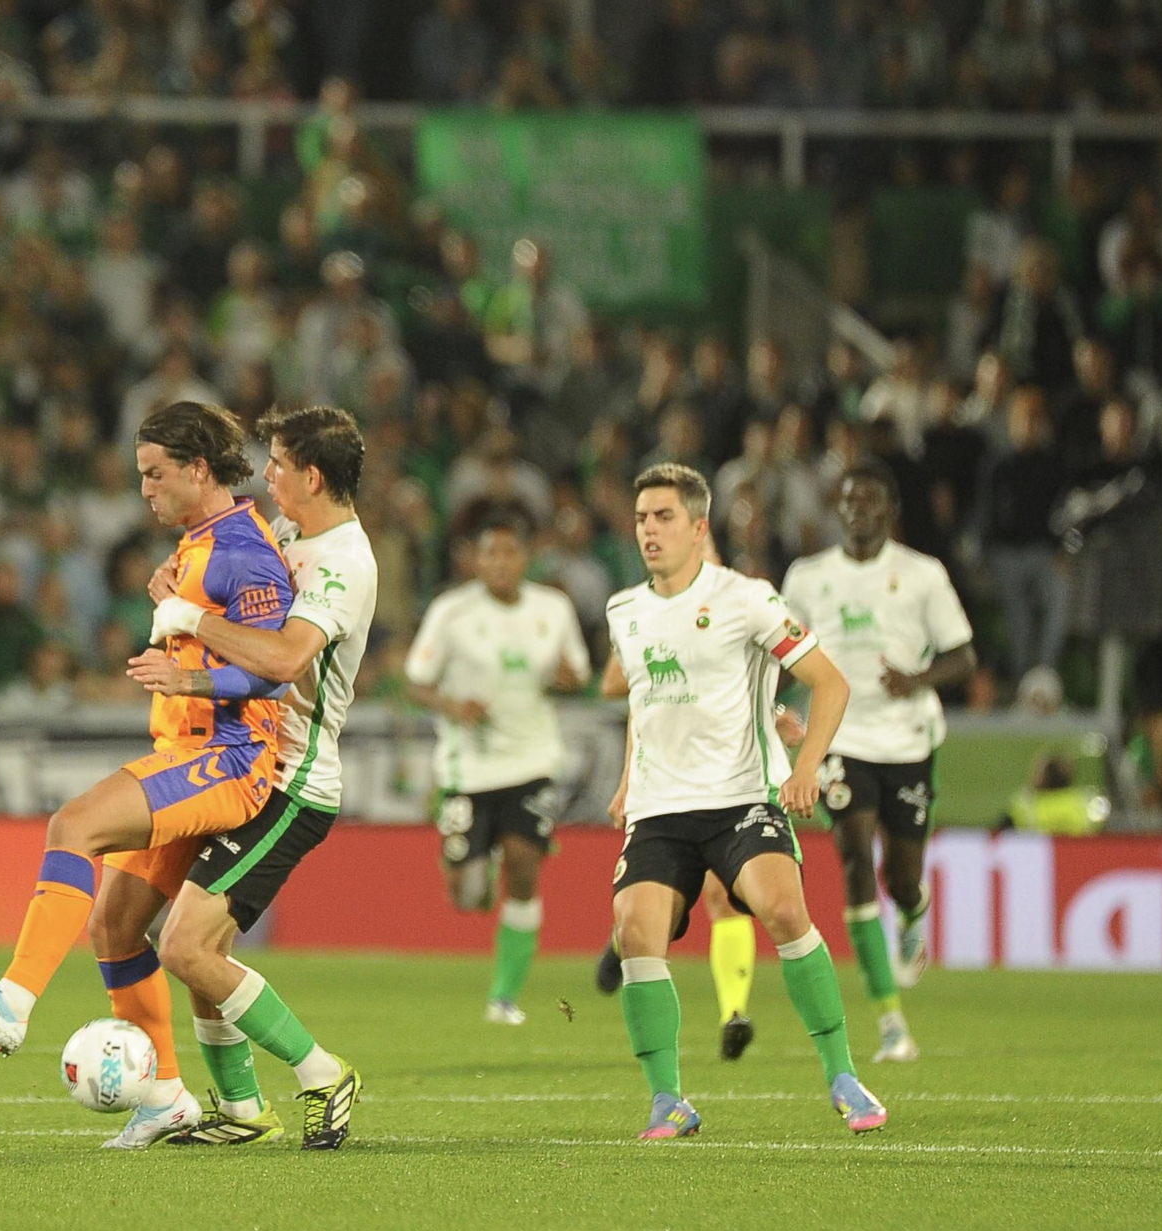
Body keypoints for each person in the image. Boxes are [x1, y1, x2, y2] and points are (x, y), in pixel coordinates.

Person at [0, 403, 293, 1150]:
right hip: (186, 754)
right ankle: (164, 1099)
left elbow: (275, 674)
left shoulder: (244, 552)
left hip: (227, 758)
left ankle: (15, 998)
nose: (146, 490)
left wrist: (187, 677)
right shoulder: (198, 545)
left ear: (198, 468)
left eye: (156, 474)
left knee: (73, 824)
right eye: (140, 476)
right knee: (116, 926)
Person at [604, 463, 885, 1139]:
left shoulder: (748, 598)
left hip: (740, 798)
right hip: (660, 806)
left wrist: (807, 766)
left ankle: (843, 1073)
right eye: (642, 516)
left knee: (785, 909)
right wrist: (626, 780)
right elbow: (644, 701)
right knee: (633, 933)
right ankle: (667, 1098)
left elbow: (830, 682)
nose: (649, 529)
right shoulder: (624, 610)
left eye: (664, 516)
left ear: (699, 528)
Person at [142, 406, 377, 1151]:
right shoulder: (284, 534)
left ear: (311, 475)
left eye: (275, 464)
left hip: (291, 781)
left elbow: (281, 662)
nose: (263, 475)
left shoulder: (344, 562)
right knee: (189, 942)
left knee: (185, 946)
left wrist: (192, 620)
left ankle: (321, 1072)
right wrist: (182, 585)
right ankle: (241, 1108)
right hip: (240, 760)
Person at [782, 463, 977, 1063]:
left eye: (870, 501)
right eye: (848, 501)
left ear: (889, 511)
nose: (858, 510)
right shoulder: (808, 577)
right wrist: (778, 712)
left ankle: (914, 911)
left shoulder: (922, 575)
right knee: (855, 863)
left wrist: (918, 679)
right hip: (840, 738)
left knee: (901, 876)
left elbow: (963, 656)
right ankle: (890, 1020)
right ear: (837, 510)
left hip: (909, 740)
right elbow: (777, 649)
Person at [403, 513, 590, 1024]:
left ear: (524, 558)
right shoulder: (452, 611)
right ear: (476, 559)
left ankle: (503, 997)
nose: (500, 562)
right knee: (467, 895)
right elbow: (416, 681)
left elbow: (576, 671)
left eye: (509, 552)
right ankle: (472, 868)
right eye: (490, 553)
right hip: (470, 765)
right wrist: (451, 706)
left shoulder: (553, 608)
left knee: (525, 866)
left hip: (533, 759)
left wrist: (569, 679)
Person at [594, 537, 765, 1064]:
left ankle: (733, 1011)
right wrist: (626, 780)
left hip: (726, 784)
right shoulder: (644, 609)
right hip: (665, 786)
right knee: (654, 915)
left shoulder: (740, 607)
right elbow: (620, 688)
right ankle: (621, 944)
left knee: (723, 897)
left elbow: (757, 684)